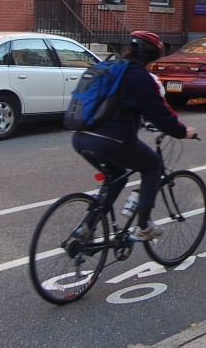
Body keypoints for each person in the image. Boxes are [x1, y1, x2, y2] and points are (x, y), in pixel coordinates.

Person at [71, 30, 197, 241]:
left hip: (81, 136)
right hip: (110, 140)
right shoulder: (138, 76)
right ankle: (143, 226)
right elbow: (159, 113)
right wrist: (183, 131)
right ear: (151, 57)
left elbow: (118, 105)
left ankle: (86, 228)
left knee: (116, 178)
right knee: (152, 165)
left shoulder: (111, 68)